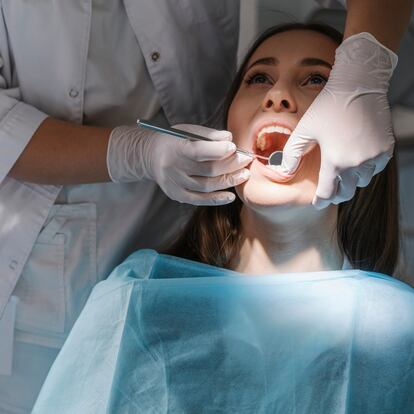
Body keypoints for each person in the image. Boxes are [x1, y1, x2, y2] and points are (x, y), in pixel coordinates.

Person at [0, 1, 413, 412]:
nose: (278, 95)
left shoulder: (396, 331)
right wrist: (134, 152)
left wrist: (363, 70)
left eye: (317, 82)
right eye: (259, 78)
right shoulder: (138, 307)